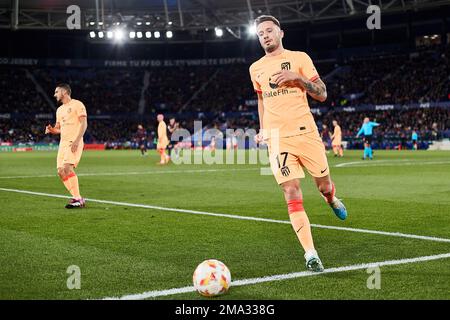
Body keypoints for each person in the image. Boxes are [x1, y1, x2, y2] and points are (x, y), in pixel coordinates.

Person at [249, 15, 347, 273]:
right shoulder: (255, 68)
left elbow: (323, 94)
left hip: (306, 133)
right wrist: (263, 128)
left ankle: (331, 198)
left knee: (323, 185)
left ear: (281, 33)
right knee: (291, 191)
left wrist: (298, 79)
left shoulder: (300, 58)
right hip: (278, 139)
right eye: (260, 34)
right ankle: (311, 253)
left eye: (269, 31)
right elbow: (261, 100)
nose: (265, 36)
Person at [45, 83, 87, 209]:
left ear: (64, 92)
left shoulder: (77, 104)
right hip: (63, 144)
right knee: (61, 172)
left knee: (67, 168)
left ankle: (77, 199)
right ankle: (78, 198)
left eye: (56, 92)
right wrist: (52, 130)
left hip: (73, 142)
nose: (54, 94)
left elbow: (84, 124)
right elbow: (59, 128)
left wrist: (77, 140)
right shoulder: (59, 110)